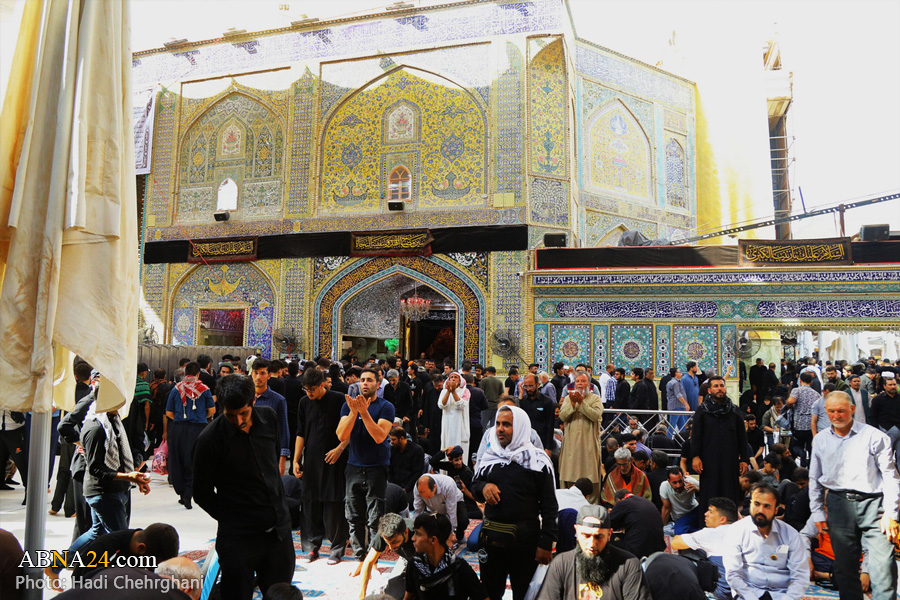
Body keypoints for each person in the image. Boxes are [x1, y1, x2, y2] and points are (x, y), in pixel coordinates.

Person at [192, 374, 295, 600]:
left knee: (280, 593)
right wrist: (233, 516)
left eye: (244, 413)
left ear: (253, 401)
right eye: (231, 415)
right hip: (238, 539)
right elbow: (201, 493)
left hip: (278, 533)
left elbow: (271, 466)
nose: (238, 421)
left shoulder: (269, 418)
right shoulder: (209, 440)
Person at [808, 391, 900, 600]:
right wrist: (817, 512)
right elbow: (814, 478)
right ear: (825, 411)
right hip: (839, 504)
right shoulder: (820, 440)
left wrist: (891, 513)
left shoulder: (875, 436)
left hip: (874, 505)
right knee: (844, 567)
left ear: (852, 409)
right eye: (831, 411)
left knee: (883, 567)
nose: (836, 415)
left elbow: (890, 476)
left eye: (841, 411)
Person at [471, 405, 557, 600]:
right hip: (491, 539)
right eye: (498, 424)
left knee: (525, 593)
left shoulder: (538, 462)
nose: (500, 429)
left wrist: (546, 542)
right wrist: (483, 488)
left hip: (524, 542)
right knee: (490, 592)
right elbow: (475, 486)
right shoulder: (490, 457)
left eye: (507, 425)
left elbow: (549, 506)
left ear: (520, 428)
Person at [337, 368, 396, 560]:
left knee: (375, 517)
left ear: (378, 384)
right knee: (353, 516)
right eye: (362, 380)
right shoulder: (348, 406)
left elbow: (379, 436)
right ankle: (359, 557)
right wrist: (354, 412)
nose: (365, 383)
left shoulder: (386, 407)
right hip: (354, 466)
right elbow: (341, 435)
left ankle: (373, 557)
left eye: (369, 380)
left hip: (376, 467)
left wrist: (364, 412)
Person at [293, 367, 350, 565]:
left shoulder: (339, 399)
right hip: (311, 459)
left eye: (312, 389)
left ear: (322, 384)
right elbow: (300, 432)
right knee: (310, 503)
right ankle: (311, 547)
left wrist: (340, 449)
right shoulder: (304, 402)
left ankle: (336, 548)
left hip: (335, 459)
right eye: (306, 389)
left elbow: (350, 428)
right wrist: (296, 459)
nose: (309, 393)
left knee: (334, 503)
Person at [537, 504, 651, 600]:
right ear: (576, 531)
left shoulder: (628, 565)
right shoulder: (561, 564)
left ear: (609, 535)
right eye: (586, 535)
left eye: (598, 536)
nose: (592, 543)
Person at [723, 483, 807, 600]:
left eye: (767, 506)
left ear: (776, 510)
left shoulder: (790, 534)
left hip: (781, 594)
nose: (760, 510)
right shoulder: (736, 530)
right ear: (751, 504)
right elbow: (732, 574)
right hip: (748, 593)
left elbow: (800, 576)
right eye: (757, 504)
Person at [690, 375, 749, 511]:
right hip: (708, 461)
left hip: (730, 461)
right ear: (709, 390)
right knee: (710, 493)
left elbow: (742, 437)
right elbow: (696, 435)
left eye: (722, 385)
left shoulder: (734, 410)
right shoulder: (702, 411)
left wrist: (744, 459)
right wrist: (695, 456)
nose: (719, 389)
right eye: (716, 386)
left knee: (729, 493)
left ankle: (729, 520)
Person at [165, 362, 215, 510]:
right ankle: (189, 493)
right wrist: (201, 417)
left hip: (179, 428)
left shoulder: (176, 389)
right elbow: (212, 410)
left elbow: (169, 413)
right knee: (193, 461)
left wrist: (180, 419)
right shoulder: (204, 390)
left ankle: (181, 493)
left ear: (185, 373)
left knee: (178, 459)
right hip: (198, 429)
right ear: (198, 374)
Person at [405, 513, 489, 600]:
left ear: (433, 540)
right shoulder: (415, 564)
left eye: (418, 534)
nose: (413, 538)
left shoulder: (459, 568)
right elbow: (409, 596)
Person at [671, 497, 739, 600]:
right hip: (742, 592)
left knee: (686, 550)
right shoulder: (742, 530)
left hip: (719, 595)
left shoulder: (711, 533)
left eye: (710, 512)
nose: (705, 514)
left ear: (722, 519)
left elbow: (675, 543)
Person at [69, 523, 179, 583]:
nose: (153, 570)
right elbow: (78, 583)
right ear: (141, 548)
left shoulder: (148, 545)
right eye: (152, 566)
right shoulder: (101, 551)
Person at [558, 372, 603, 499]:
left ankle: (590, 504)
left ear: (589, 384)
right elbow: (562, 416)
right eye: (577, 381)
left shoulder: (595, 399)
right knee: (569, 474)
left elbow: (595, 415)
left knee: (590, 476)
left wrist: (581, 403)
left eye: (583, 381)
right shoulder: (568, 399)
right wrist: (573, 405)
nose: (580, 384)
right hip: (571, 445)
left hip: (588, 444)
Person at [352, 513, 416, 600]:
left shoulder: (419, 533)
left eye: (395, 542)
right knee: (391, 594)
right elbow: (369, 562)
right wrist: (362, 596)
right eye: (388, 543)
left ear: (406, 532)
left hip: (424, 562)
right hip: (406, 559)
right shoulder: (384, 532)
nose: (391, 547)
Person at [250, 358, 291, 475]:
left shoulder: (278, 400)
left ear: (269, 375)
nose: (258, 377)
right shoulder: (244, 398)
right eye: (256, 373)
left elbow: (283, 429)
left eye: (262, 373)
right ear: (251, 374)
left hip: (268, 454)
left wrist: (282, 459)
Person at [609, 489, 666, 558]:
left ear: (619, 500)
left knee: (608, 537)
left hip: (637, 549)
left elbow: (609, 523)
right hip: (658, 547)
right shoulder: (646, 501)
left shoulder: (623, 503)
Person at [413, 474, 469, 544]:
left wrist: (450, 535)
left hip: (455, 503)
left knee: (463, 521)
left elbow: (451, 512)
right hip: (433, 508)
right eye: (424, 498)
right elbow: (418, 510)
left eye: (428, 496)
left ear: (435, 487)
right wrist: (415, 529)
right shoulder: (418, 488)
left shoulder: (448, 485)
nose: (426, 499)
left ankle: (460, 535)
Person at [786, 371, 820, 465]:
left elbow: (790, 401)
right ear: (811, 382)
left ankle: (801, 455)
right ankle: (810, 467)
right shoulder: (816, 394)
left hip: (799, 423)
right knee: (810, 447)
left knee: (796, 445)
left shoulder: (797, 390)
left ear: (800, 380)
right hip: (811, 425)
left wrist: (790, 406)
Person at [519, 373, 556, 453]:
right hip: (526, 443)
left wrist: (548, 448)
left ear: (537, 384)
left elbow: (550, 426)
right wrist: (521, 394)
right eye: (525, 386)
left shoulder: (547, 402)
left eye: (531, 386)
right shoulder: (522, 401)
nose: (528, 389)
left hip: (542, 442)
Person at [389, 426, 425, 509]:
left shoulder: (417, 450)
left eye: (394, 439)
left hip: (411, 487)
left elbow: (417, 472)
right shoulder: (392, 450)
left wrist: (406, 488)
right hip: (396, 486)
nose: (391, 442)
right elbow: (390, 470)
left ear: (402, 438)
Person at [438, 371, 471, 459]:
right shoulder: (444, 392)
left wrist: (453, 392)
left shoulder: (465, 391)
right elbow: (441, 405)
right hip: (447, 425)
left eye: (455, 377)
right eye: (451, 377)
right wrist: (449, 391)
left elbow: (461, 405)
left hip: (460, 425)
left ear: (460, 381)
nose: (453, 379)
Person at [659, 466, 701, 534]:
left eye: (680, 481)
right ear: (669, 481)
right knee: (679, 531)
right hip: (679, 517)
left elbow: (707, 491)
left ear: (684, 478)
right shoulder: (664, 486)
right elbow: (666, 508)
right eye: (674, 483)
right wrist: (662, 527)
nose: (678, 485)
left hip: (694, 510)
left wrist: (696, 489)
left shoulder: (690, 481)